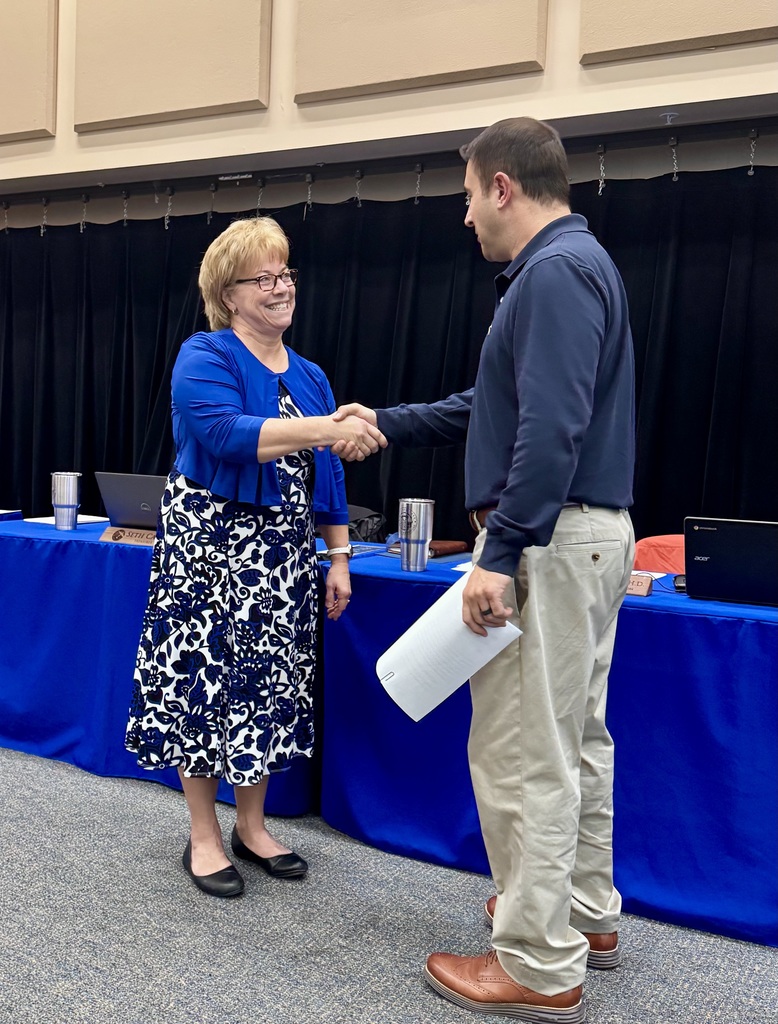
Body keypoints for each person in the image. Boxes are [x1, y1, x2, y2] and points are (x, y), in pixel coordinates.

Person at [335, 118, 635, 1022]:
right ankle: (584, 916)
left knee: (523, 754)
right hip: (587, 534)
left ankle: (540, 965)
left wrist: (499, 553)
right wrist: (390, 418)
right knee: (577, 740)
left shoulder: (549, 276)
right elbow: (497, 402)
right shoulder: (579, 266)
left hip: (547, 541)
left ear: (502, 186)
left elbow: (550, 431)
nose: (465, 217)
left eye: (468, 196)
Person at [125, 216, 386, 898]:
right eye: (263, 278)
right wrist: (328, 428)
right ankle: (204, 835)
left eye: (286, 274)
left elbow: (329, 479)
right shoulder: (204, 355)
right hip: (207, 555)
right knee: (202, 687)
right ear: (229, 293)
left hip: (278, 561)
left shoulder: (311, 375)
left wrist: (338, 557)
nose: (280, 288)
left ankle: (252, 825)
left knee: (266, 688)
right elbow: (226, 434)